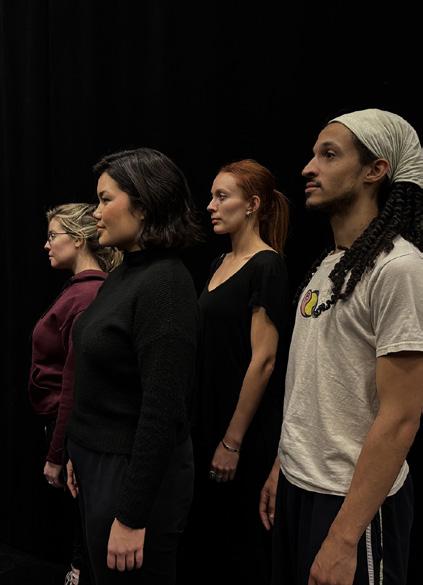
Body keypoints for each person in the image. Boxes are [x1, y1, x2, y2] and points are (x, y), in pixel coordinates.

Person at [259, 108, 423, 585]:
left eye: (329, 155)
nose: (308, 168)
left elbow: (401, 417)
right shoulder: (331, 263)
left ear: (375, 170)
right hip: (300, 486)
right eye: (313, 154)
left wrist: (344, 538)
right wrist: (284, 463)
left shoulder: (399, 268)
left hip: (351, 504)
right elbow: (314, 383)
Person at [65, 147, 202, 585]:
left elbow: (162, 410)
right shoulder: (125, 274)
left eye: (105, 199)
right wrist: (79, 449)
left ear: (142, 205)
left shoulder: (165, 284)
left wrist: (130, 516)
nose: (95, 212)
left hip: (133, 480)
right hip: (100, 465)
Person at [181, 159, 290, 585]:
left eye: (221, 196)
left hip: (241, 432)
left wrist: (232, 441)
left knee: (239, 548)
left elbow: (264, 361)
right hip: (205, 421)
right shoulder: (218, 262)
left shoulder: (267, 266)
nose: (210, 205)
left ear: (252, 204)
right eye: (212, 196)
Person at [29, 203, 121, 585]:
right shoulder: (81, 291)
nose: (46, 245)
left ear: (79, 239)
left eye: (53, 236)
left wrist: (56, 454)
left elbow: (75, 383)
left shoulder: (87, 296)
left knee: (85, 527)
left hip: (72, 430)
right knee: (79, 522)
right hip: (65, 427)